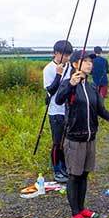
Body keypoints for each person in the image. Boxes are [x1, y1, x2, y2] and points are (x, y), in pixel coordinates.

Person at [55, 49, 109, 218]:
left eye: (91, 61)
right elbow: (58, 100)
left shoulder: (91, 88)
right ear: (75, 64)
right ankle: (75, 212)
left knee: (84, 174)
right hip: (74, 139)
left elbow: (100, 110)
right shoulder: (69, 84)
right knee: (74, 176)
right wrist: (70, 84)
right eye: (86, 61)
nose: (90, 64)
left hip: (90, 138)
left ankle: (82, 208)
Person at [43, 40, 72, 183]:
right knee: (57, 142)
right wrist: (59, 75)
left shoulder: (70, 67)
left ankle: (65, 167)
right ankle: (57, 169)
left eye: (68, 55)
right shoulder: (48, 69)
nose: (66, 57)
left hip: (68, 110)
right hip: (55, 111)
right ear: (55, 53)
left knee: (66, 142)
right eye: (63, 54)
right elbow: (50, 90)